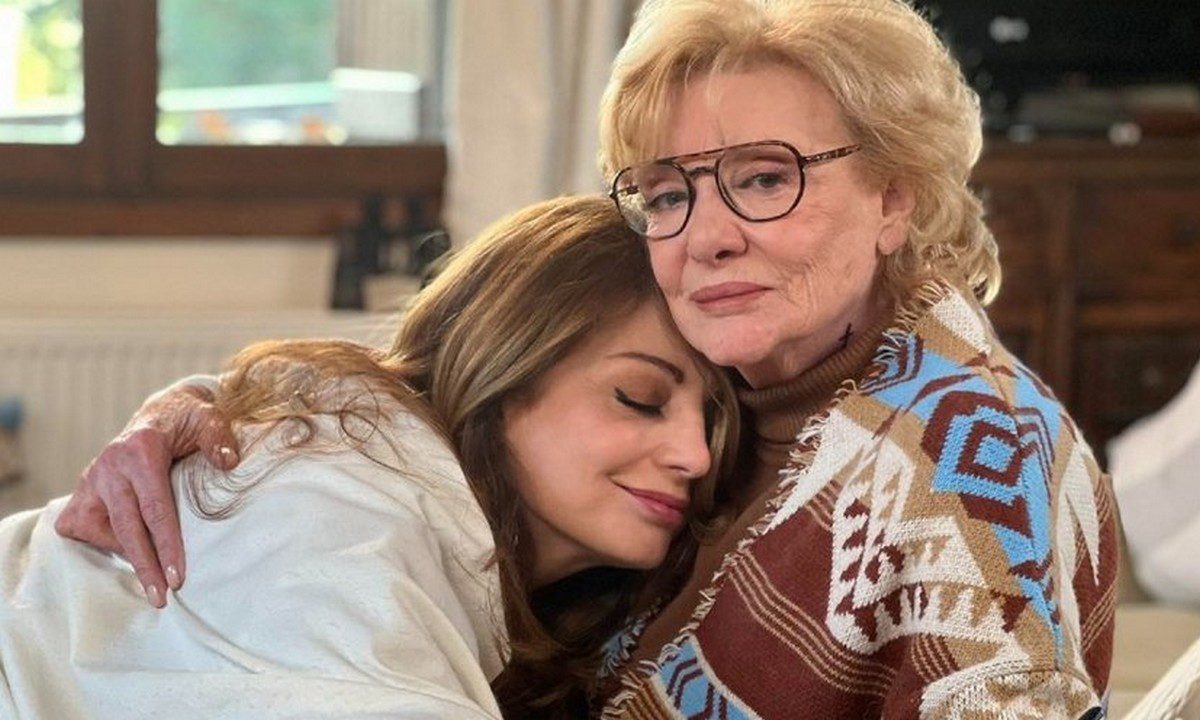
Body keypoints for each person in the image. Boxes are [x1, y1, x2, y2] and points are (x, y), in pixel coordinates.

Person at [61, 0, 1120, 717]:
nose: (705, 236)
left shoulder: (968, 454)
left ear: (895, 195)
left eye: (764, 177)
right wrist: (214, 409)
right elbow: (440, 391)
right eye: (667, 191)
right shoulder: (732, 371)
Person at [3, 195, 739, 719]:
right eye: (640, 398)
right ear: (502, 365)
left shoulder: (459, 538)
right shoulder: (351, 510)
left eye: (712, 420)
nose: (695, 456)